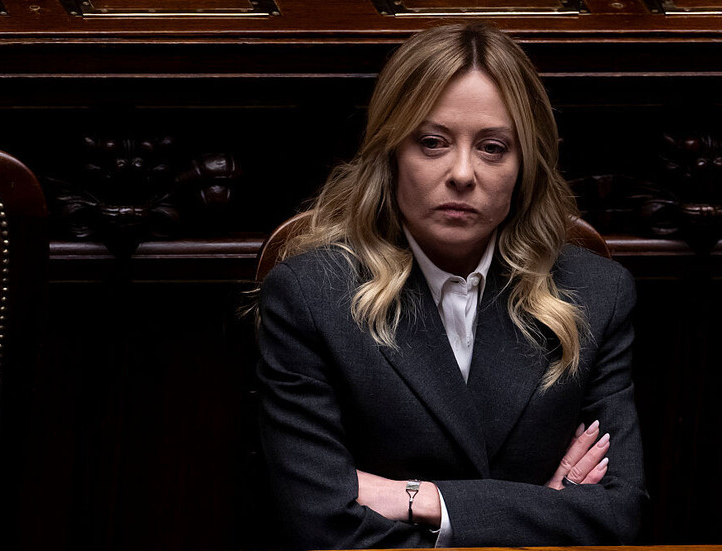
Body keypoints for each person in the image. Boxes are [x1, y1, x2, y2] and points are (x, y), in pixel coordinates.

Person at [256, 22, 646, 550]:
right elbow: (321, 524)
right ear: (392, 154)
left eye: (492, 147)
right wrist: (547, 508)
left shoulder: (597, 293)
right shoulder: (310, 296)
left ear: (525, 166)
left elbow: (618, 514)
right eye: (432, 143)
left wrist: (420, 499)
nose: (462, 173)